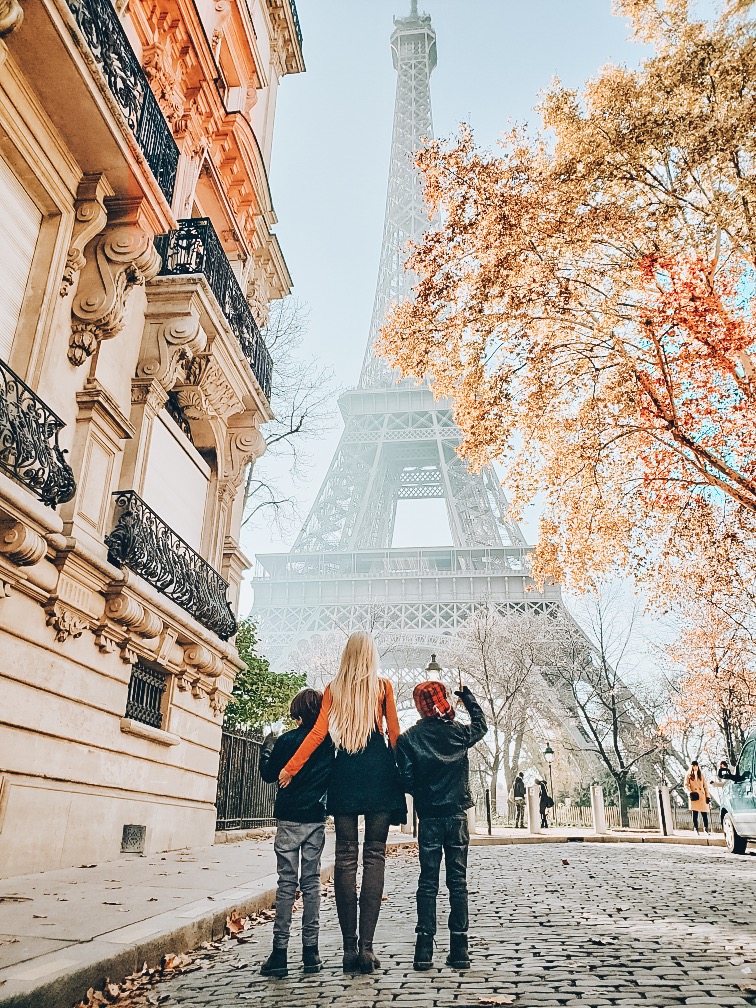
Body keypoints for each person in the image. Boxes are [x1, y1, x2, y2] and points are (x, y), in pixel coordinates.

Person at [279, 631, 406, 974]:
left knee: (346, 859)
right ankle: (367, 949)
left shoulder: (334, 689)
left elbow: (319, 734)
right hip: (379, 771)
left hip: (346, 770)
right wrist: (409, 773)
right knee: (375, 856)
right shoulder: (383, 686)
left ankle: (349, 950)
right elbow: (394, 736)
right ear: (371, 655)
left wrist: (290, 768)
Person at [396, 680, 487, 972]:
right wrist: (469, 700)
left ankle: (423, 950)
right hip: (457, 815)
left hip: (430, 817)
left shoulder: (409, 739)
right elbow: (481, 726)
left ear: (419, 705)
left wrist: (424, 794)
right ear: (444, 699)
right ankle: (460, 950)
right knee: (457, 882)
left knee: (427, 882)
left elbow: (406, 779)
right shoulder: (458, 733)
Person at [257, 688, 334, 979]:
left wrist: (267, 747)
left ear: (297, 711)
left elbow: (268, 774)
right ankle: (311, 952)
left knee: (287, 884)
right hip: (315, 817)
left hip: (289, 818)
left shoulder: (287, 740)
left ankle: (279, 954)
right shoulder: (327, 743)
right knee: (311, 882)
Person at [685, 760, 711, 834]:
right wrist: (690, 793)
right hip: (694, 796)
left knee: (704, 814)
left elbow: (705, 786)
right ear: (691, 766)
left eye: (696, 766)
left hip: (702, 796)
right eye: (694, 766)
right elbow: (686, 785)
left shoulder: (701, 775)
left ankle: (706, 829)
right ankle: (696, 829)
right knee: (695, 813)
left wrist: (707, 796)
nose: (695, 767)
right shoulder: (688, 775)